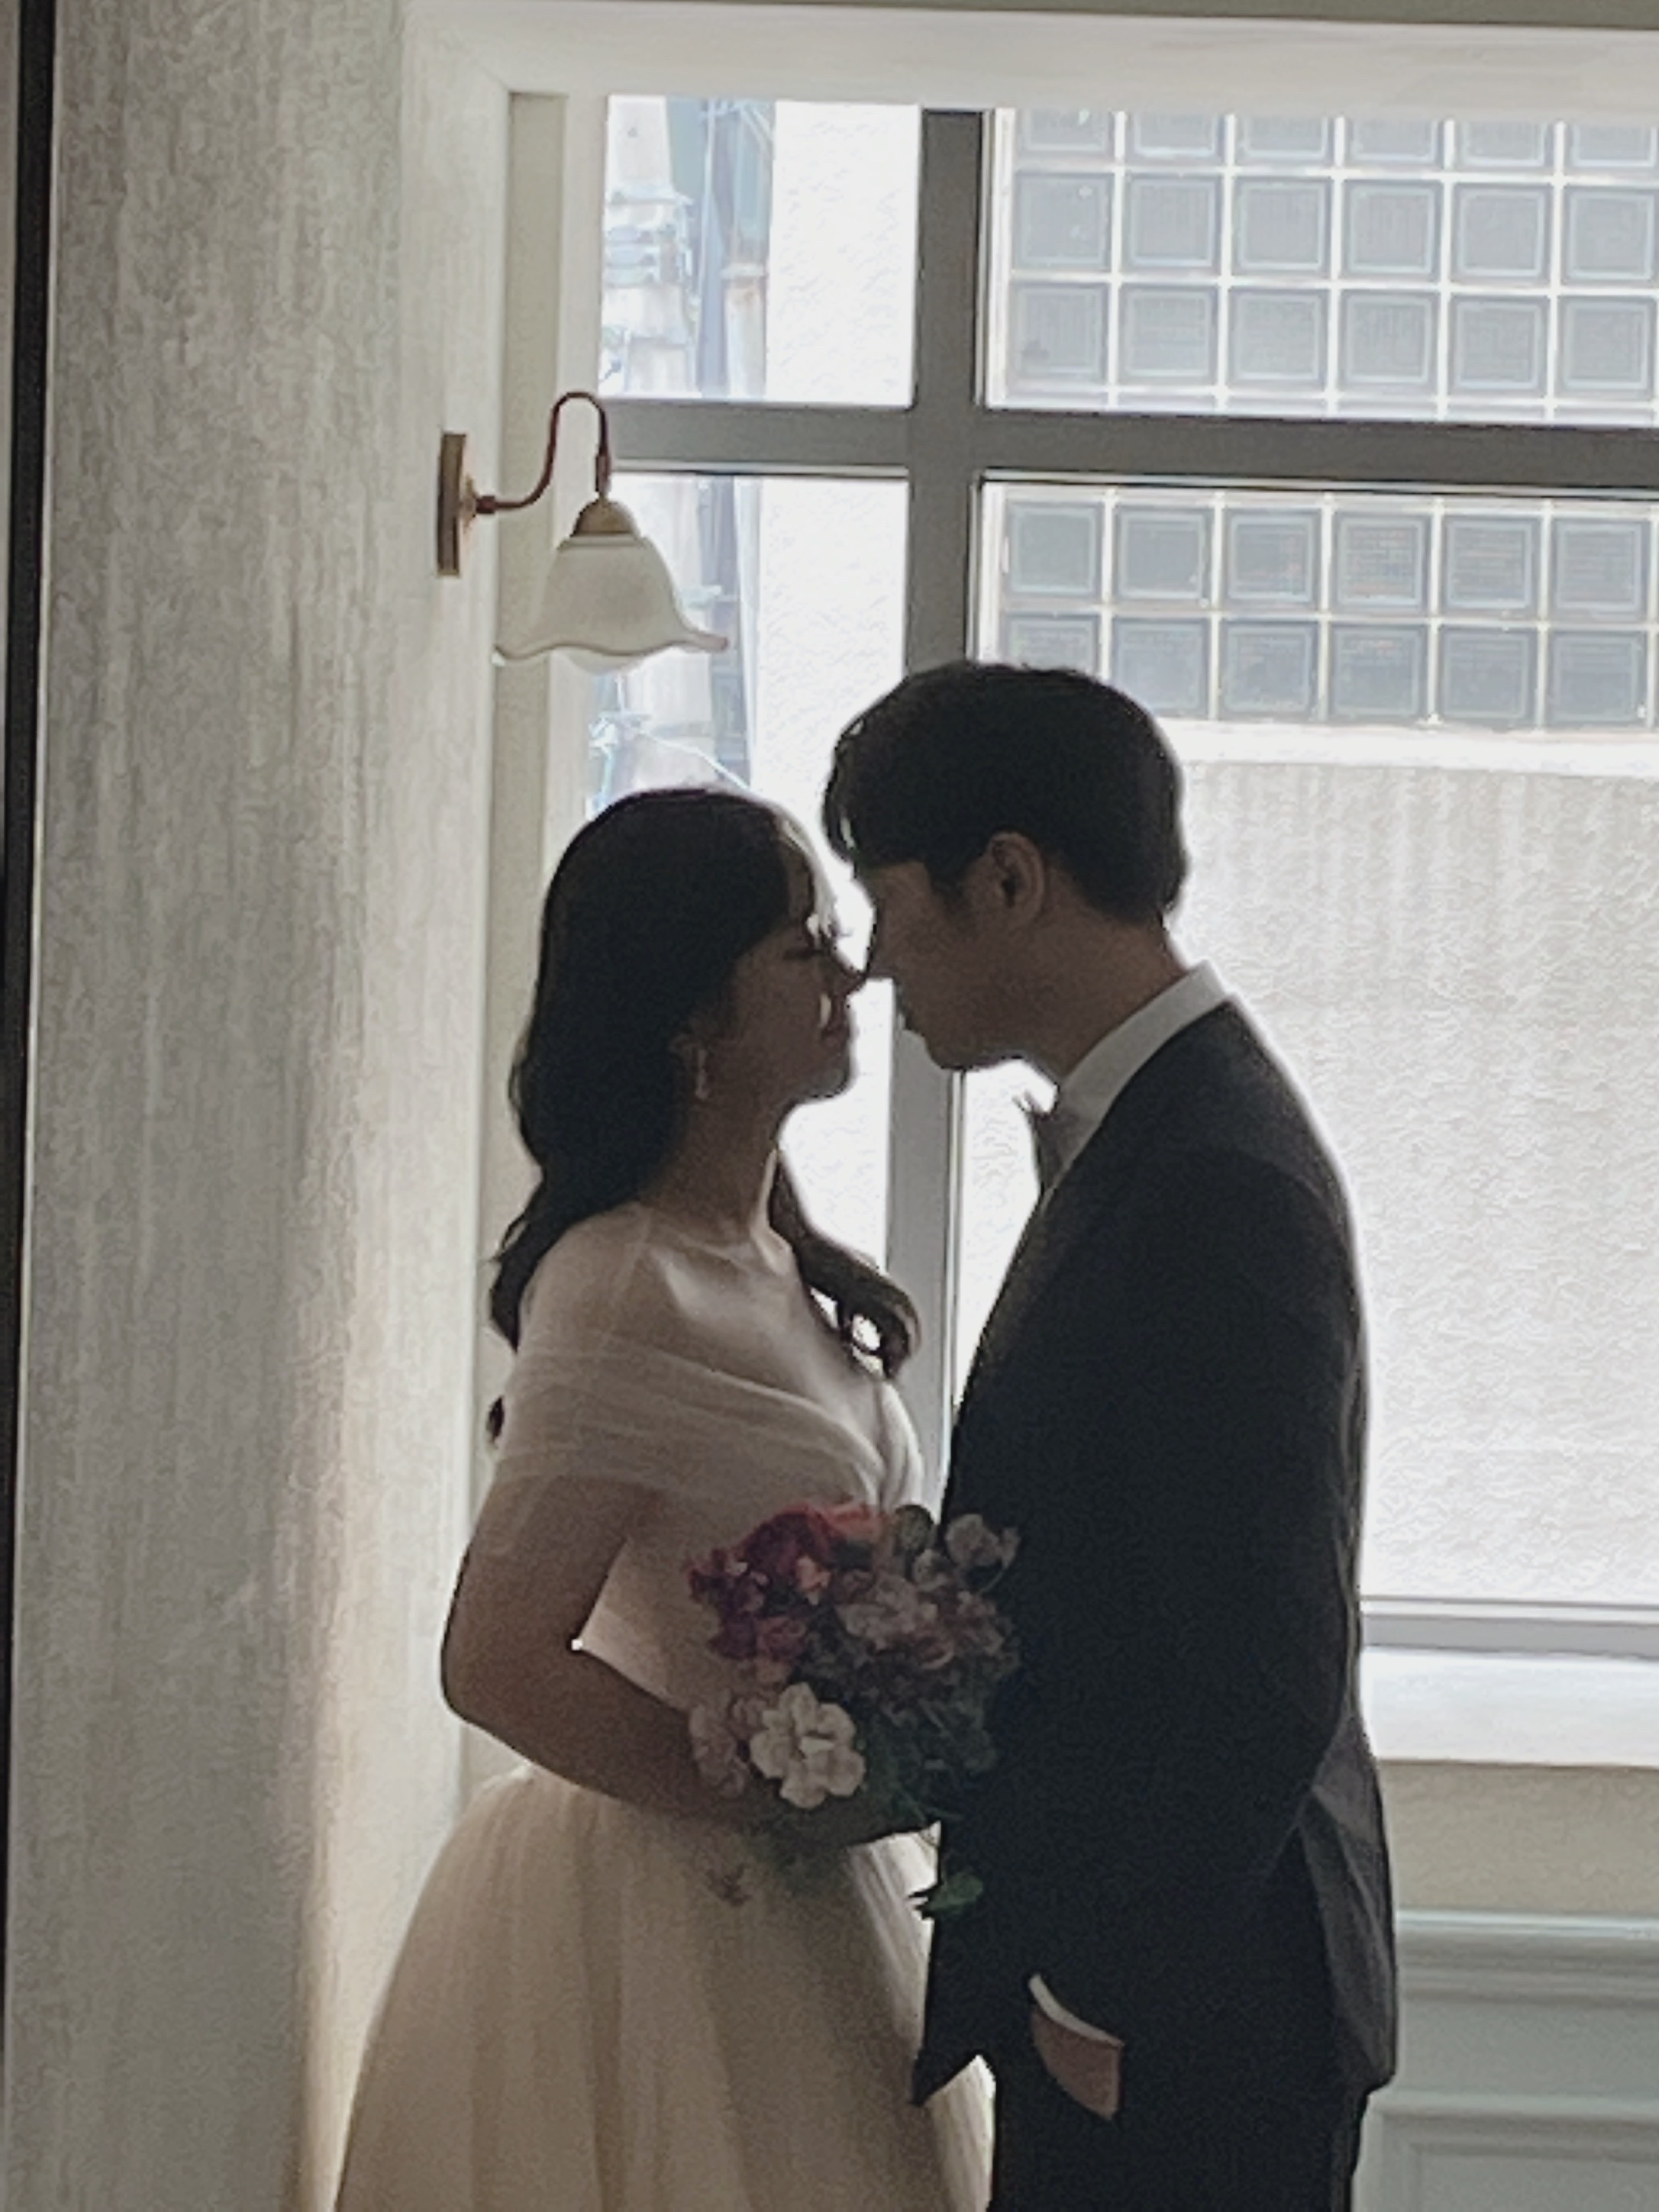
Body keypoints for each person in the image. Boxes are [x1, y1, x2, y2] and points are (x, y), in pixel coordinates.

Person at [333, 786, 989, 2211]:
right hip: (659, 1917)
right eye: (802, 947)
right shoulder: (626, 1281)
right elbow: (495, 1659)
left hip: (817, 1908)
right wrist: (763, 1786)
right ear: (694, 1015)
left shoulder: (785, 1265)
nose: (849, 975)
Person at [823, 661, 1397, 2211]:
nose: (874, 961)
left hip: (1192, 2015)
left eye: (889, 901)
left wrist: (1095, 1995)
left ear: (1010, 879)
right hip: (1156, 1997)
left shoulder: (1216, 1175)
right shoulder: (1172, 1127)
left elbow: (1273, 1656)